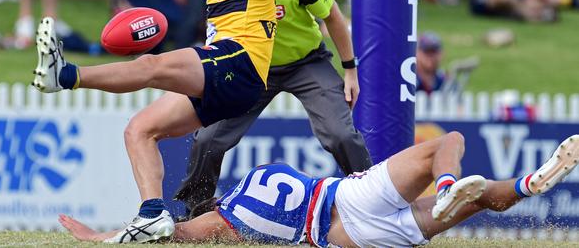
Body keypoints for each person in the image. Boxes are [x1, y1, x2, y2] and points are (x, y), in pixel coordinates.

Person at [36, 0, 387, 243]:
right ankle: (155, 214)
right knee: (140, 130)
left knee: (151, 67)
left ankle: (64, 75)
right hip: (238, 71)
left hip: (248, 62)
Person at [174, 0, 372, 217]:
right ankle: (191, 212)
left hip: (305, 62)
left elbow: (333, 16)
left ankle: (373, 204)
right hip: (251, 65)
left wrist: (350, 70)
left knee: (340, 134)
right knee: (209, 137)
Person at [59, 133, 579, 246]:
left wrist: (99, 238)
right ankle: (459, 183)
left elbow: (164, 235)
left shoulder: (227, 221)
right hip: (348, 199)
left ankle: (520, 183)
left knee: (472, 202)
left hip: (345, 239)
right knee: (450, 143)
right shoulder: (255, 186)